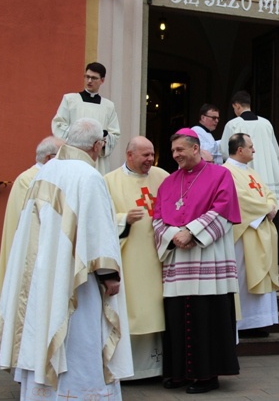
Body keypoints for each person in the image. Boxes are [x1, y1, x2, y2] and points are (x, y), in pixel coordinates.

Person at [0, 118, 132, 400]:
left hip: (42, 277)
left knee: (44, 330)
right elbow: (97, 232)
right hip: (75, 282)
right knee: (81, 343)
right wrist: (109, 276)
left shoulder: (44, 173)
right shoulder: (88, 176)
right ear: (97, 145)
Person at [153, 128, 241, 394]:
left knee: (206, 316)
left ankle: (206, 375)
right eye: (173, 151)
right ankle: (179, 372)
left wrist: (191, 232)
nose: (175, 155)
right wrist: (173, 235)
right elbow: (157, 217)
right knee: (178, 316)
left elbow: (224, 210)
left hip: (208, 258)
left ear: (194, 148)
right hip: (178, 261)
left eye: (180, 149)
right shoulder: (168, 182)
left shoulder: (220, 175)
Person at [104, 136, 169, 379]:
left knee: (157, 309)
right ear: (129, 155)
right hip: (130, 260)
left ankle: (158, 367)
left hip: (159, 257)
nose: (150, 160)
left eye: (152, 154)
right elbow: (99, 221)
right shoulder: (110, 181)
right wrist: (123, 220)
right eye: (145, 155)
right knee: (134, 312)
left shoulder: (162, 177)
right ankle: (130, 370)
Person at [0, 136, 64, 320]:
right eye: (63, 155)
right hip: (31, 257)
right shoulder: (29, 180)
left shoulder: (46, 177)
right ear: (49, 158)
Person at [220, 90, 279, 263]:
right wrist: (278, 173)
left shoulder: (233, 124)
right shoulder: (266, 123)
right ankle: (278, 256)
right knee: (273, 207)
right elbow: (275, 149)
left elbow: (225, 151)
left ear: (236, 106)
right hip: (269, 174)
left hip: (246, 175)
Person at [223, 133, 279, 337]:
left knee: (260, 273)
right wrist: (266, 208)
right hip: (245, 234)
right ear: (240, 150)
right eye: (251, 147)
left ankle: (259, 321)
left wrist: (271, 205)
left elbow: (268, 192)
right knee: (244, 277)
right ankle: (244, 322)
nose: (254, 150)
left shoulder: (251, 173)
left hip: (261, 229)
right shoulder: (225, 172)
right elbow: (239, 198)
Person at [52, 62, 120, 174]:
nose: (89, 81)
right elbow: (58, 125)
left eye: (94, 78)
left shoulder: (108, 106)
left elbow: (115, 134)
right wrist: (81, 137)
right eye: (87, 77)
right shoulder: (70, 100)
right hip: (73, 156)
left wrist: (103, 136)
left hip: (97, 159)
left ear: (102, 80)